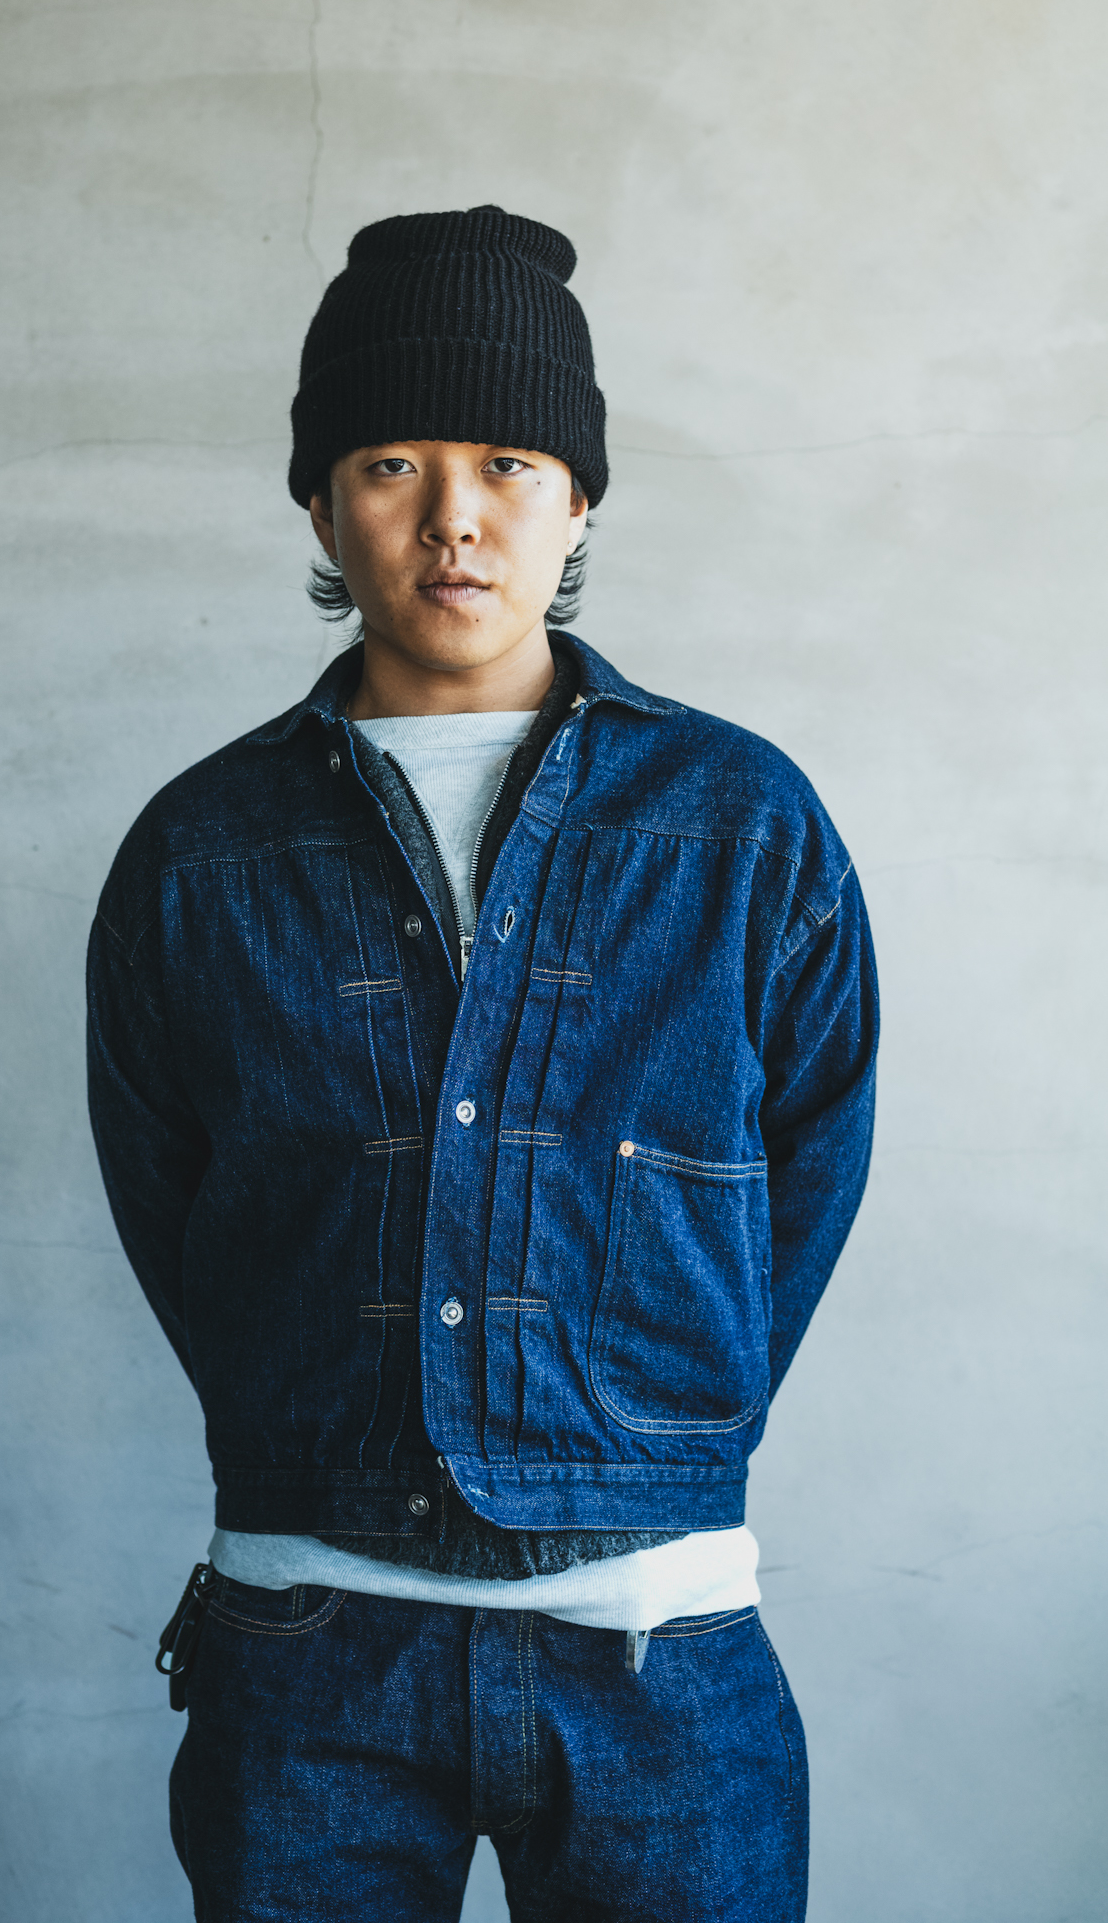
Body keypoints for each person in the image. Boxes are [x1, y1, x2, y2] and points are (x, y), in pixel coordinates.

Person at [87, 205, 878, 1922]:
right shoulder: (201, 851)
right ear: (320, 504)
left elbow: (807, 1176)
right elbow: (176, 1203)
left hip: (657, 1650)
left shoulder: (740, 825)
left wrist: (648, 1434)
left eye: (509, 463)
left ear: (578, 499)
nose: (454, 516)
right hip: (303, 1652)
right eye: (390, 463)